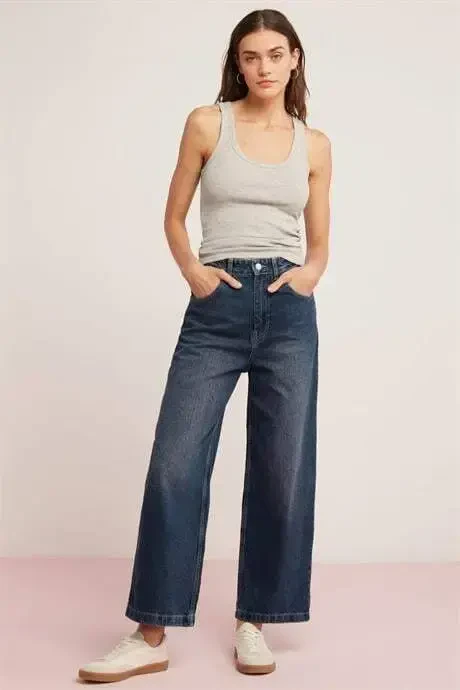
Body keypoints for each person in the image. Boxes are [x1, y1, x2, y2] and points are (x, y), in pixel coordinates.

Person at [78, 7, 331, 683]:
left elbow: (320, 241)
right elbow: (174, 215)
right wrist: (193, 271)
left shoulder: (314, 144)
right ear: (237, 64)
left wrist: (309, 274)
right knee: (175, 465)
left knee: (281, 470)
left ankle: (255, 620)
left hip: (287, 313)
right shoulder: (206, 124)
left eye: (276, 54)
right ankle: (151, 632)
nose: (264, 67)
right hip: (216, 307)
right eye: (251, 56)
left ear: (295, 60)